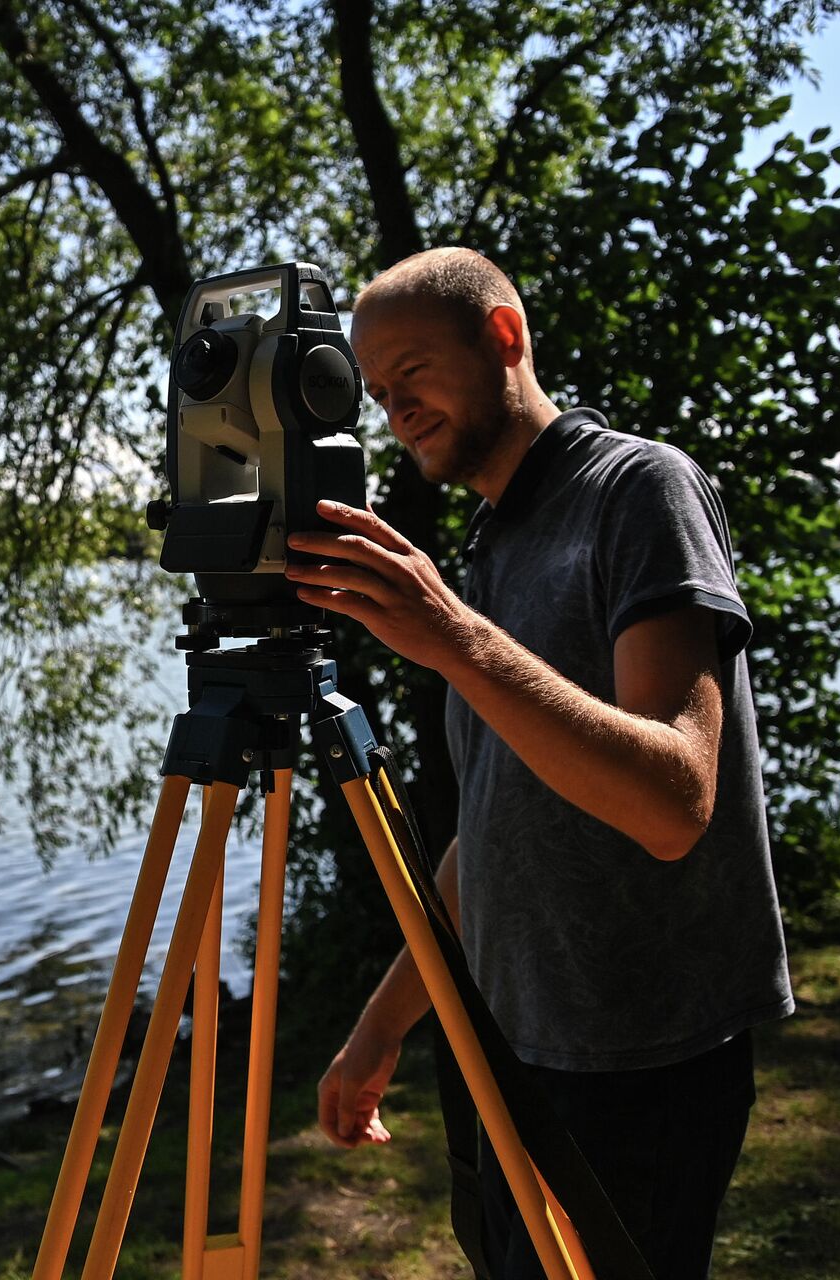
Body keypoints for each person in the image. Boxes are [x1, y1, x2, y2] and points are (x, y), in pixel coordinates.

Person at [286, 247, 794, 1280]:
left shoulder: (639, 491)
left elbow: (673, 798)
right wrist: (380, 1029)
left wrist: (455, 639)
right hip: (505, 1049)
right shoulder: (491, 544)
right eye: (377, 392)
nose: (396, 408)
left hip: (639, 1058)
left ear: (503, 336)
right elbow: (500, 825)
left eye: (414, 371)